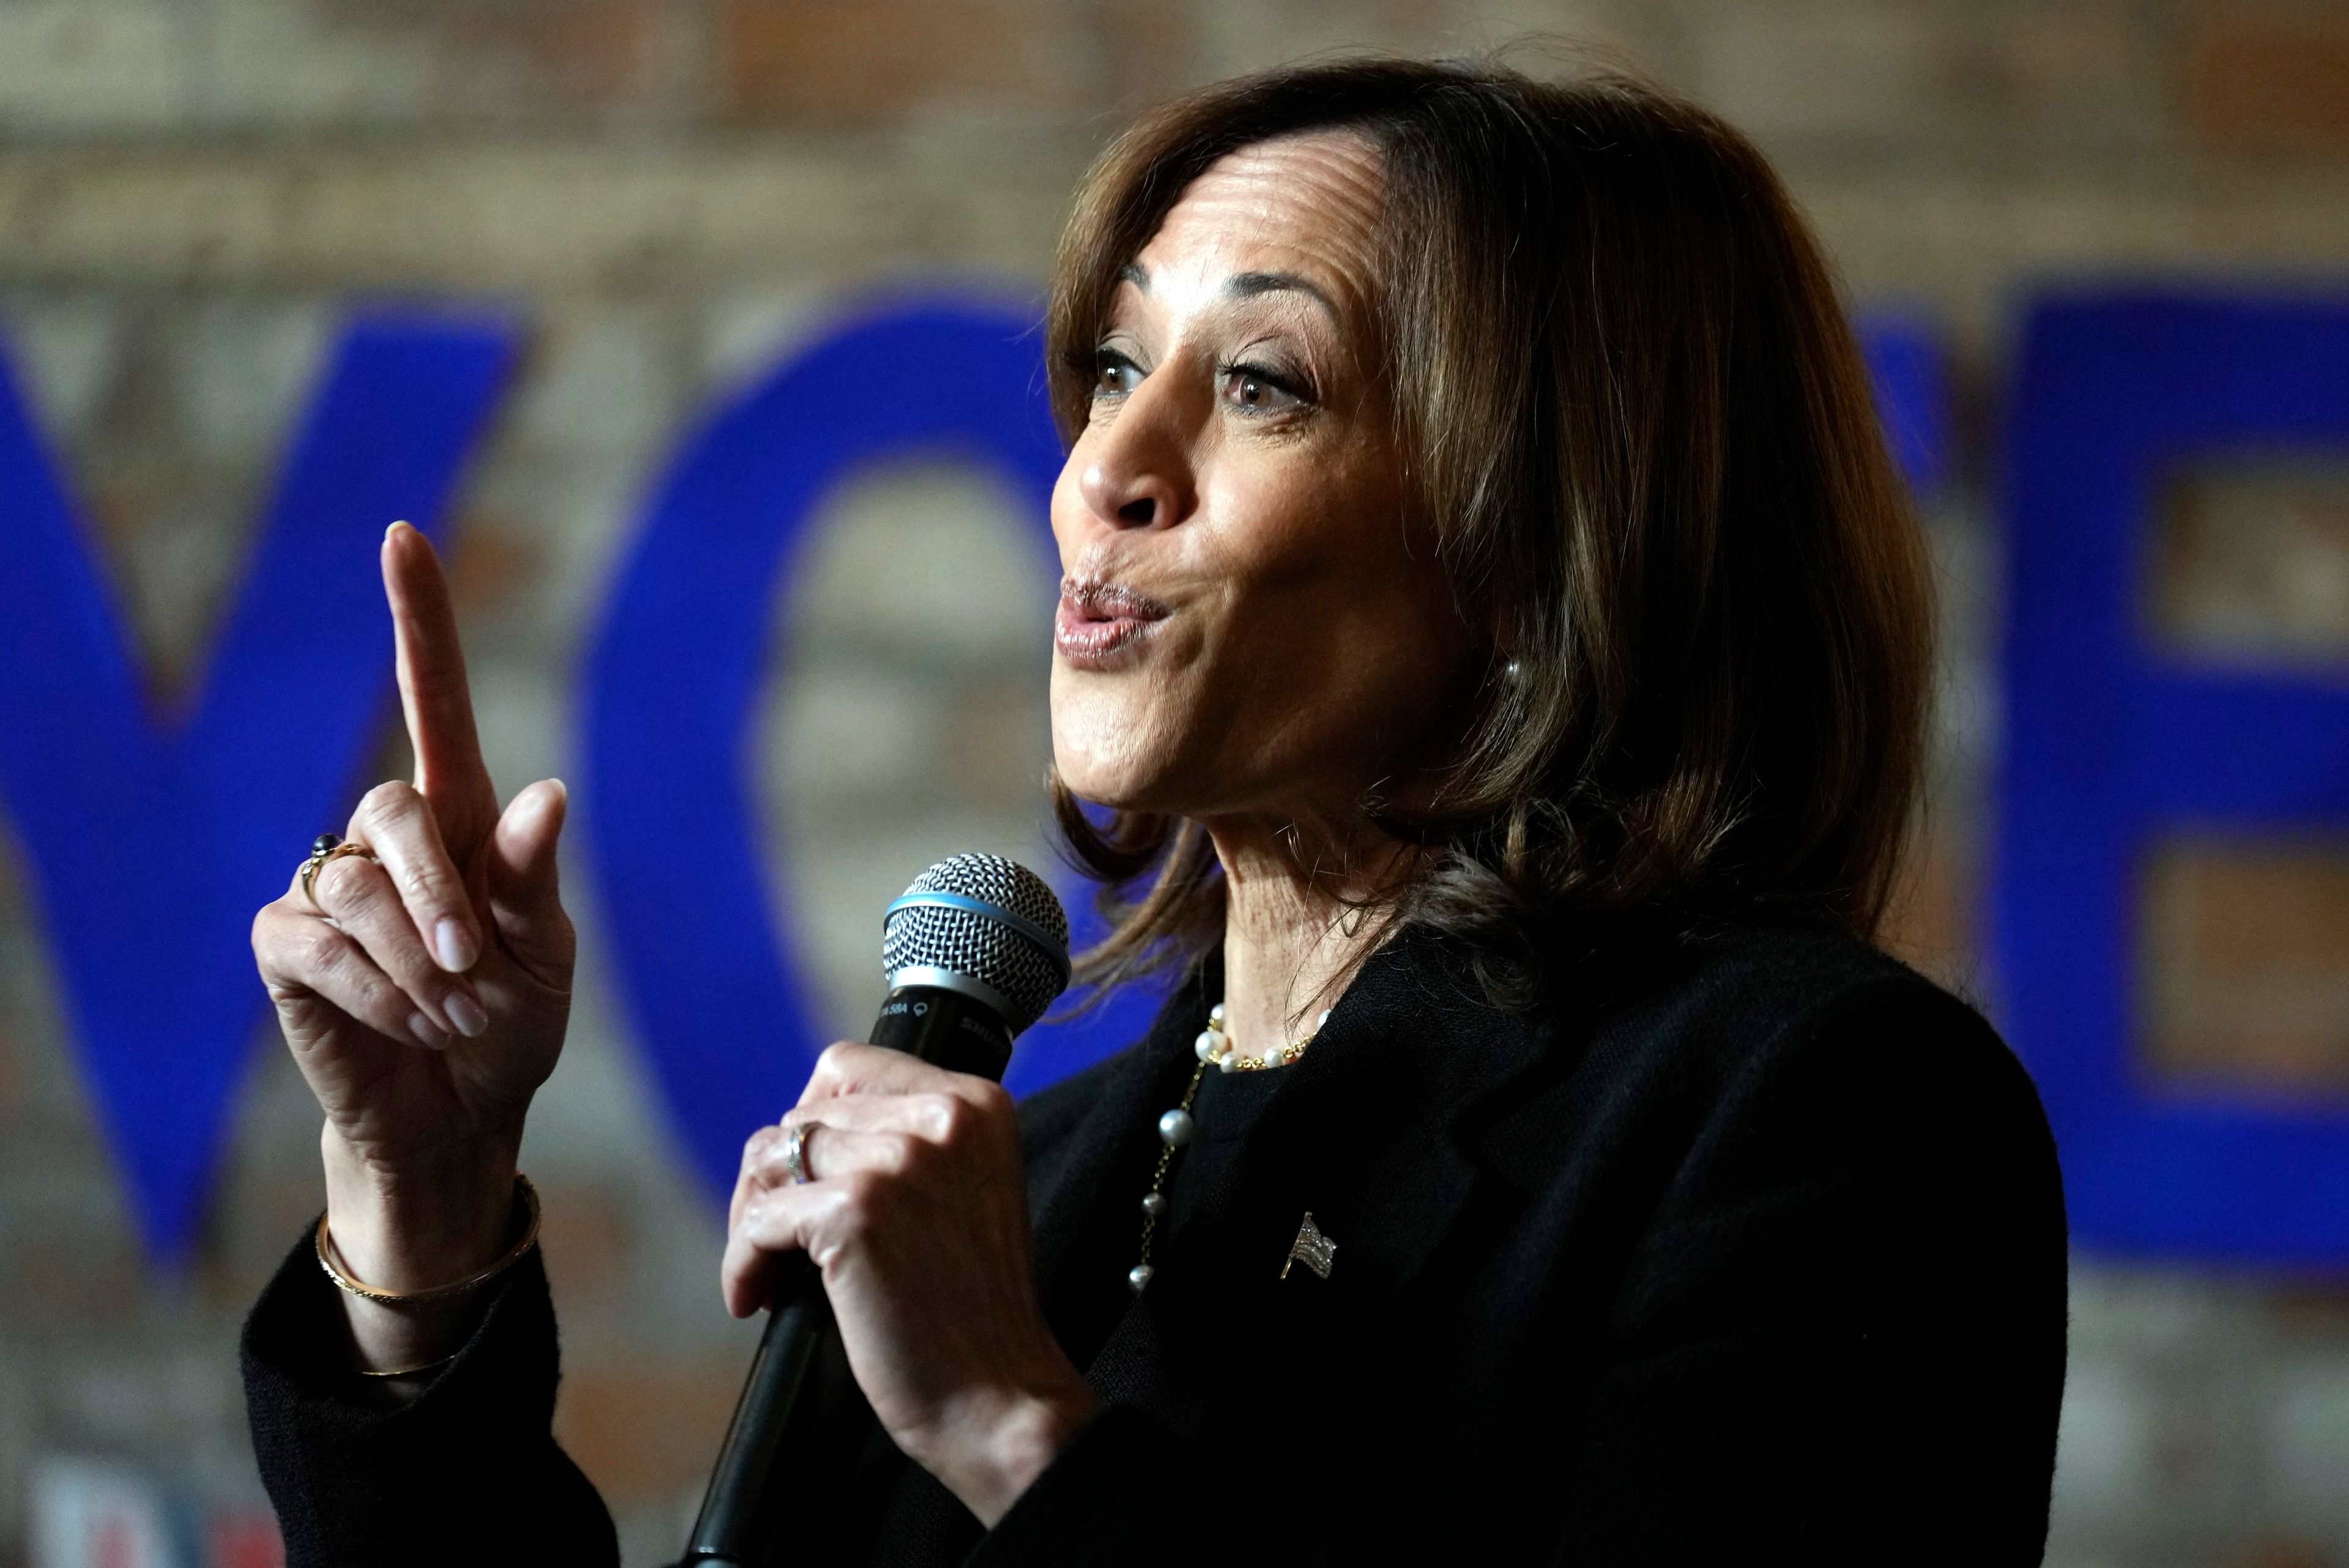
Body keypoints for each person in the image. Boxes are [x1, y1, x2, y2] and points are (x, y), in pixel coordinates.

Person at [242, 54, 2066, 1566]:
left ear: (1547, 552)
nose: (1104, 467)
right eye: (1118, 368)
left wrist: (1012, 1424)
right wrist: (424, 1213)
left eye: (1262, 383)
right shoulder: (1027, 1182)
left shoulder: (1811, 1115)